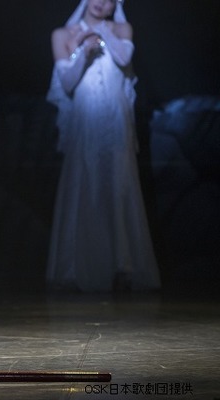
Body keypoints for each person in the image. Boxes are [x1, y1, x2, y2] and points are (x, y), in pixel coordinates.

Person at [45, 0, 161, 291]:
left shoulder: (122, 28)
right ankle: (76, 268)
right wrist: (83, 51)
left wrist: (103, 33)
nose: (102, 3)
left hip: (115, 117)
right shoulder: (63, 34)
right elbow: (67, 82)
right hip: (85, 118)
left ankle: (123, 265)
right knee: (84, 180)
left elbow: (123, 58)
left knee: (118, 182)